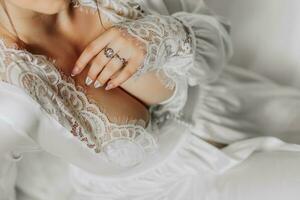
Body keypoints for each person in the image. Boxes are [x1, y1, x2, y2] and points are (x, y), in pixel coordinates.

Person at [0, 0, 300, 199]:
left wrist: (167, 35)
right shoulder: (8, 94)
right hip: (169, 191)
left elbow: (218, 40)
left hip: (235, 102)